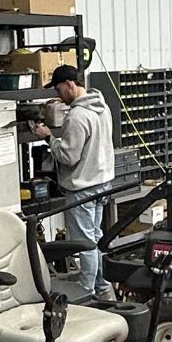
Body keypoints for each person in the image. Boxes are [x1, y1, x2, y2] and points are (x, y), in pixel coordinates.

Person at [47, 66, 117, 303]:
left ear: (69, 84)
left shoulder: (77, 116)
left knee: (85, 242)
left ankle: (86, 293)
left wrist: (49, 137)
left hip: (83, 188)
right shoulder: (102, 106)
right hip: (103, 182)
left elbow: (68, 156)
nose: (59, 96)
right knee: (95, 237)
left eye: (59, 90)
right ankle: (101, 286)